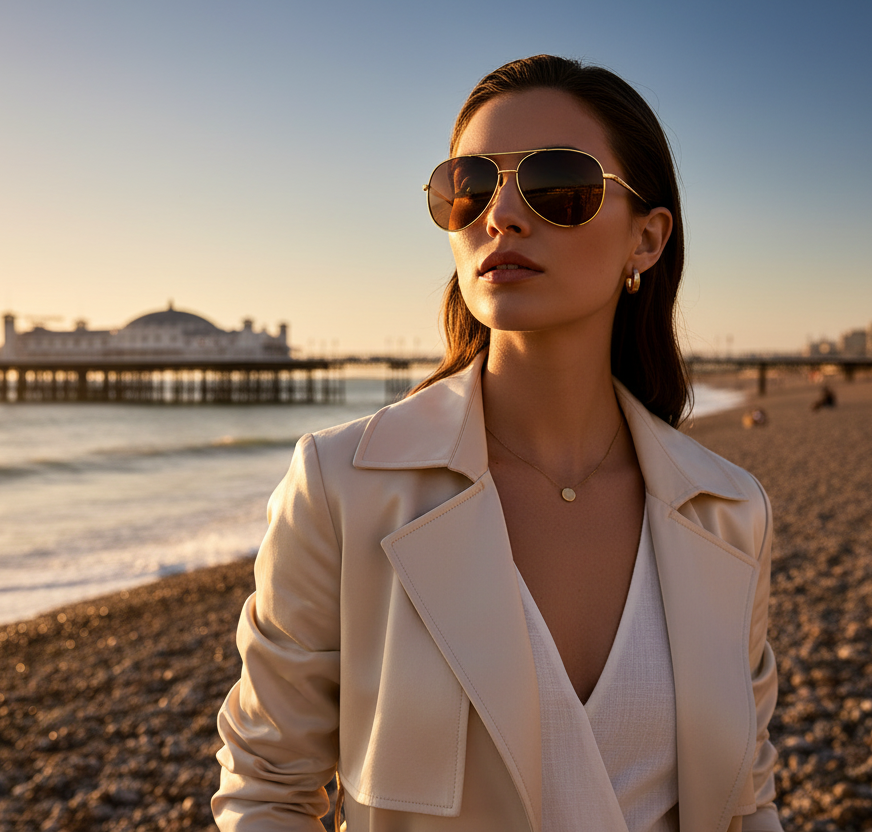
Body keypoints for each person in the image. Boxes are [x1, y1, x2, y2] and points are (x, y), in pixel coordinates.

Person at [214, 55, 782, 832]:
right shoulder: (343, 485)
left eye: (556, 185)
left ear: (646, 241)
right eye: (469, 187)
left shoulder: (729, 513)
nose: (501, 215)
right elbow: (267, 789)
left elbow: (747, 805)